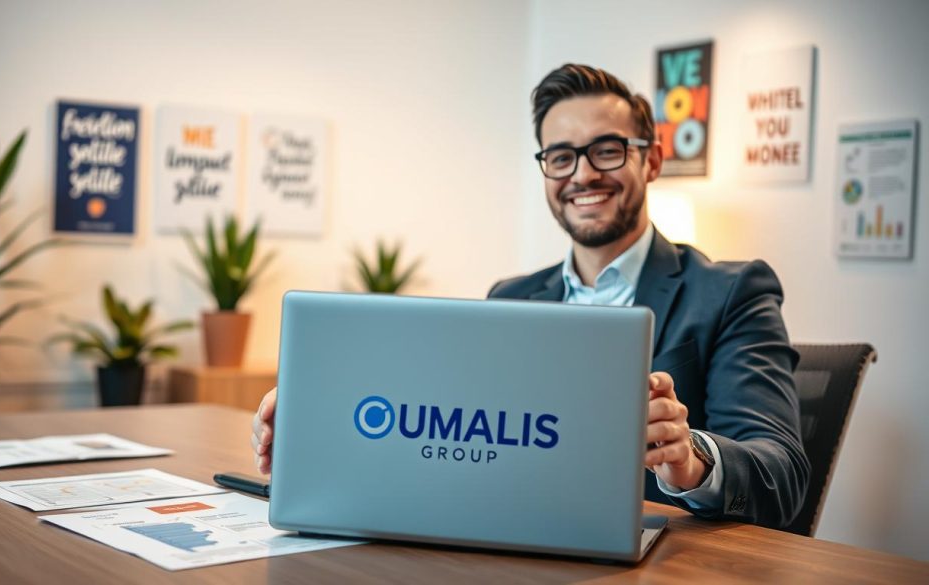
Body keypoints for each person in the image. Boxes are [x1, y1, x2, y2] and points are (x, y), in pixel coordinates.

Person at [253, 64, 809, 529]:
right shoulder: (512, 298)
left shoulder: (731, 291)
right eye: (561, 157)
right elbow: (452, 437)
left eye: (607, 150)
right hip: (513, 542)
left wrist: (692, 458)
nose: (583, 174)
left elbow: (781, 474)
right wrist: (322, 422)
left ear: (653, 161)